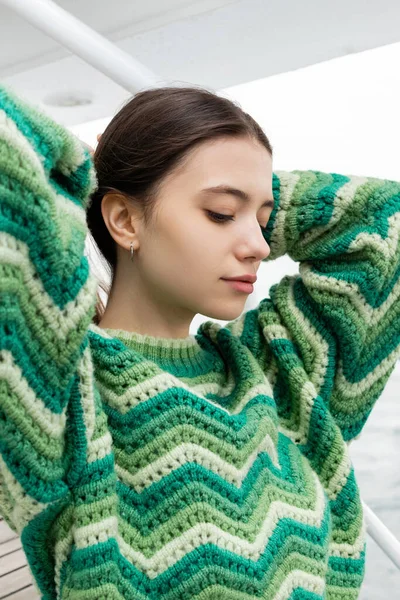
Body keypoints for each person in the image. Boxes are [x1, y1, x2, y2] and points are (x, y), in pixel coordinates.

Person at [0, 83, 399, 600]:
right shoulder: (64, 393)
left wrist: (232, 192)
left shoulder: (273, 374)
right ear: (123, 219)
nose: (258, 246)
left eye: (262, 219)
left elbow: (384, 228)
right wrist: (87, 177)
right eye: (220, 213)